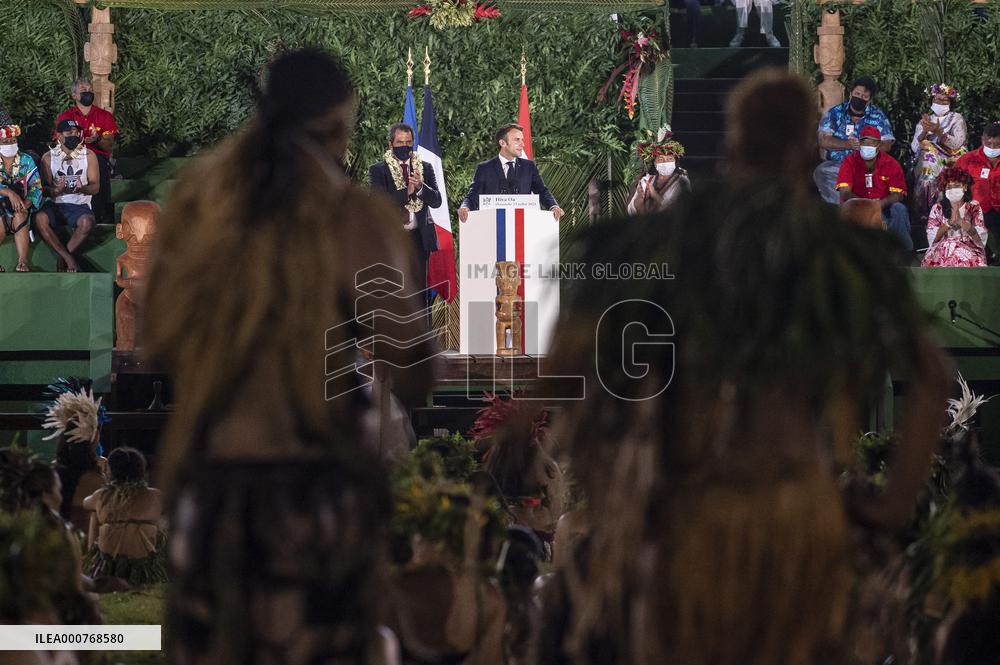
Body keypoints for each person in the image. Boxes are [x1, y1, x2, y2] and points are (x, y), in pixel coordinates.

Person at [535, 68, 950, 665]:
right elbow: (932, 376)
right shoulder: (833, 251)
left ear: (731, 147)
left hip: (693, 514)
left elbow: (574, 363)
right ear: (808, 152)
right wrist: (891, 503)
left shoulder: (678, 240)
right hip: (798, 513)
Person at [142, 47, 435, 664]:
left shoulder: (199, 201)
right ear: (338, 124)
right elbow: (411, 366)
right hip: (314, 498)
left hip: (208, 491)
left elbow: (157, 343)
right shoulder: (350, 214)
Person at [368, 122, 442, 301]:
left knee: (420, 289)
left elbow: (437, 200)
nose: (405, 146)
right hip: (392, 237)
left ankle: (424, 328)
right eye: (400, 143)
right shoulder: (378, 170)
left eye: (408, 142)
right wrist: (407, 192)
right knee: (395, 288)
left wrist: (420, 187)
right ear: (390, 144)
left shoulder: (424, 167)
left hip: (419, 237)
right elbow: (379, 203)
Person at [82, 447, 164, 586]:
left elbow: (85, 503)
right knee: (160, 519)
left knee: (95, 512)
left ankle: (92, 563)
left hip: (113, 564)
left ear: (111, 471)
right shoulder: (156, 496)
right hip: (146, 561)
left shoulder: (102, 495)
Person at [458, 123, 563, 222]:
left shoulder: (529, 167)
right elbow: (473, 195)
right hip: (493, 227)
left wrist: (553, 206)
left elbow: (542, 191)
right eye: (517, 140)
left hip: (522, 228)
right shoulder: (484, 168)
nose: (522, 144)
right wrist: (465, 207)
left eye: (522, 140)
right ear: (502, 143)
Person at [815, 76, 895, 204]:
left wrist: (866, 145)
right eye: (857, 94)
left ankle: (862, 208)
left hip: (867, 167)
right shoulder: (835, 113)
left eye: (864, 96)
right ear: (851, 93)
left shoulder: (878, 116)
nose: (859, 98)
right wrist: (847, 144)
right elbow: (823, 140)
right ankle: (847, 208)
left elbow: (887, 145)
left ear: (870, 100)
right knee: (822, 172)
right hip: (838, 166)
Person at [836, 124, 914, 251]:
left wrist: (879, 204)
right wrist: (866, 204)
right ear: (859, 144)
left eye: (871, 143)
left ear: (878, 145)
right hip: (857, 207)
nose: (867, 146)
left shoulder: (891, 163)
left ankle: (904, 252)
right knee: (849, 209)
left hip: (883, 207)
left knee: (899, 209)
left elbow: (898, 194)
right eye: (864, 142)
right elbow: (845, 193)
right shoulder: (849, 162)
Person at [35, 119, 99, 272]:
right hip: (55, 205)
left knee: (87, 222)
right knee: (39, 218)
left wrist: (81, 189)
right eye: (69, 133)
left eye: (76, 132)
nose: (74, 135)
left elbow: (95, 187)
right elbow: (44, 189)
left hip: (79, 205)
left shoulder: (89, 155)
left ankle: (62, 257)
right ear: (59, 136)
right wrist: (56, 190)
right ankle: (68, 258)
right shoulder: (48, 157)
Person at [54, 77, 118, 225]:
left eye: (90, 90)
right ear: (74, 95)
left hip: (97, 158)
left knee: (98, 165)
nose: (88, 93)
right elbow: (58, 141)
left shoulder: (104, 116)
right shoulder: (66, 117)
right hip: (71, 157)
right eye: (83, 91)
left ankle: (101, 214)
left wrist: (97, 140)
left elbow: (109, 145)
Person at [911, 83, 967, 221]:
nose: (940, 103)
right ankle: (926, 213)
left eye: (944, 101)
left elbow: (958, 143)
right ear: (932, 101)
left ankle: (945, 212)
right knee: (927, 162)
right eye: (937, 100)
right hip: (930, 158)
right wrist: (925, 130)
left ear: (950, 103)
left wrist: (938, 132)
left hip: (952, 157)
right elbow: (914, 146)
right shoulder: (925, 120)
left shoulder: (957, 118)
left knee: (933, 161)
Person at [0, 111, 42, 272]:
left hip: (21, 203)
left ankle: (22, 261)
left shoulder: (26, 160)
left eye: (13, 140)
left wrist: (26, 202)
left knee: (21, 214)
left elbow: (36, 187)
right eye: (5, 141)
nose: (10, 143)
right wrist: (9, 193)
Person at [922, 167, 987, 267]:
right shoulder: (937, 208)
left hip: (970, 250)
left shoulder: (974, 207)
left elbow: (980, 239)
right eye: (949, 187)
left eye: (956, 186)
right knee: (949, 245)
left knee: (957, 249)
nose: (953, 190)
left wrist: (962, 222)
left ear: (964, 187)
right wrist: (949, 223)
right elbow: (933, 238)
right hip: (941, 250)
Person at [954, 121, 1000, 263]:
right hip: (977, 212)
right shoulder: (968, 159)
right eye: (989, 144)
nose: (992, 148)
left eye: (997, 145)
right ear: (982, 139)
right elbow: (952, 183)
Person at [627, 128, 690, 215]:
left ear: (675, 161)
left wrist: (654, 195)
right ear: (655, 163)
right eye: (661, 159)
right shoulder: (646, 180)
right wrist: (638, 201)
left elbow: (680, 210)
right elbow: (631, 212)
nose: (665, 162)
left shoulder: (681, 181)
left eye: (669, 159)